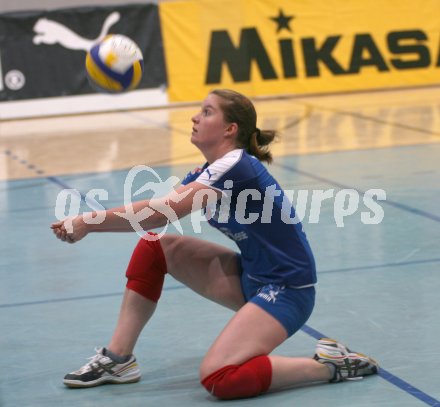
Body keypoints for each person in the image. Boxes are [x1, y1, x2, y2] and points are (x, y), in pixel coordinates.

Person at [51, 89, 378, 399]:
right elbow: (161, 209)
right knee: (155, 249)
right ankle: (118, 359)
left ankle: (327, 366)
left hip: (287, 289)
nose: (195, 117)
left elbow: (159, 214)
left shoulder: (236, 165)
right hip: (251, 275)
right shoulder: (208, 171)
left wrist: (87, 222)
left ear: (229, 129)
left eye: (207, 112)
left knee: (219, 377)